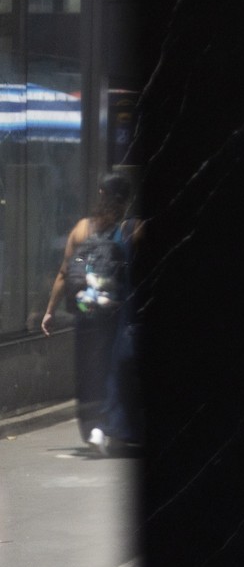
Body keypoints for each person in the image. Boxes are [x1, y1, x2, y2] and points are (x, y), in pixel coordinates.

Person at [41, 173, 140, 454]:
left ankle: (94, 427)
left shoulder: (82, 228)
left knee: (88, 370)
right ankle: (110, 425)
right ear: (126, 198)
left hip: (85, 312)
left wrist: (49, 311)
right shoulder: (129, 229)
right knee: (113, 369)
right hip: (115, 313)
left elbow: (63, 273)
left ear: (100, 193)